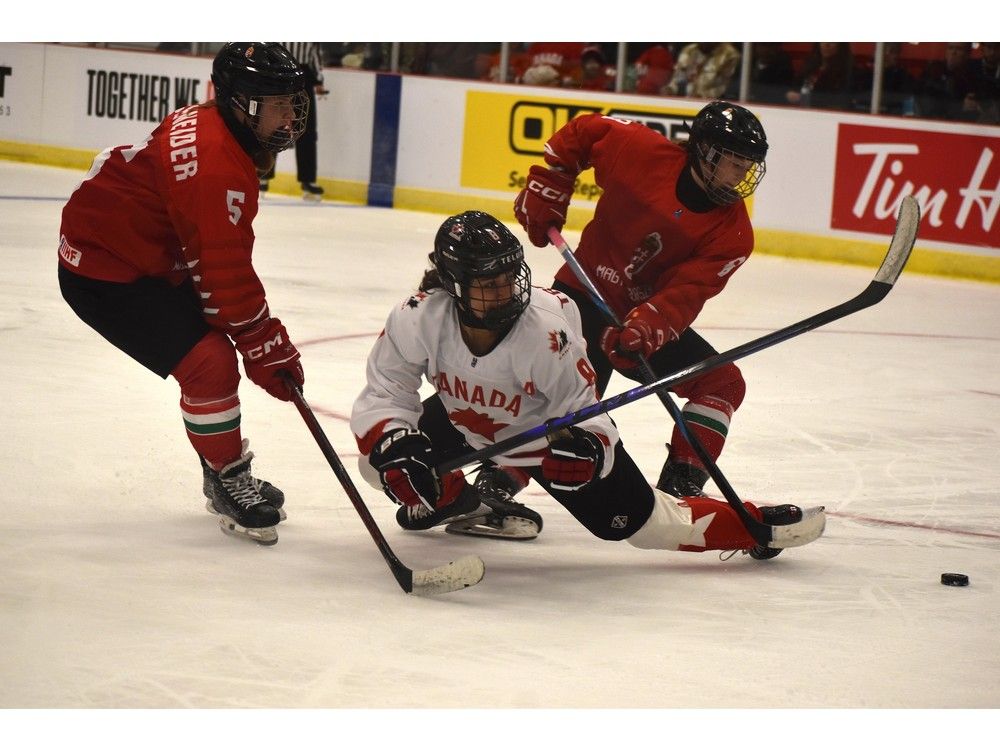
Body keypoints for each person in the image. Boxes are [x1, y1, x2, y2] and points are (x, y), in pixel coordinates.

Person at [349, 211, 820, 559]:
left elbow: (585, 409)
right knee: (382, 464)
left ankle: (755, 524)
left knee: (641, 526)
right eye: (487, 283)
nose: (506, 290)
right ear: (453, 284)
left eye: (510, 276)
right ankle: (461, 501)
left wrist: (589, 450)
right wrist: (394, 441)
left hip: (543, 440)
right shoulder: (418, 317)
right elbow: (387, 391)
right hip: (468, 423)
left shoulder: (545, 331)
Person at [57, 42, 309, 546]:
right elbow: (223, 273)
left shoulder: (214, 122)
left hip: (136, 252)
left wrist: (251, 332)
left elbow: (212, 260)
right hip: (106, 272)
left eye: (291, 102)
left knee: (214, 343)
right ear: (240, 102)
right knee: (210, 362)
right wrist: (263, 341)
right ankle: (226, 476)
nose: (289, 116)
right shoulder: (217, 166)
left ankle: (219, 466)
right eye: (276, 103)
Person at [512, 101, 767, 510]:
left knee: (721, 382)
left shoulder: (733, 232)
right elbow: (582, 133)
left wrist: (649, 326)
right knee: (566, 405)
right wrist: (550, 182)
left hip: (634, 328)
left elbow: (686, 293)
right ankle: (494, 483)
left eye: (747, 165)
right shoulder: (638, 149)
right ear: (703, 150)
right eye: (732, 161)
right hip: (579, 300)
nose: (740, 174)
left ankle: (682, 481)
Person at [259, 42, 328, 200]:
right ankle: (265, 174)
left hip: (286, 73)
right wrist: (318, 79)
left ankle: (305, 179)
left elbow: (314, 52)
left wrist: (318, 79)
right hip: (283, 73)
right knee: (275, 124)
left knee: (302, 129)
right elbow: (315, 53)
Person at [785, 42, 856, 111]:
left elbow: (839, 100)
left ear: (841, 46)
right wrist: (790, 93)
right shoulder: (810, 65)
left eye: (832, 42)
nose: (826, 45)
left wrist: (807, 98)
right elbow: (794, 86)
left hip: (825, 114)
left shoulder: (846, 70)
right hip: (801, 111)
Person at [662, 43, 741, 99]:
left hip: (712, 106)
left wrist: (700, 96)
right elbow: (677, 78)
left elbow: (725, 88)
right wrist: (669, 90)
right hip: (684, 101)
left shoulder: (729, 54)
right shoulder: (689, 50)